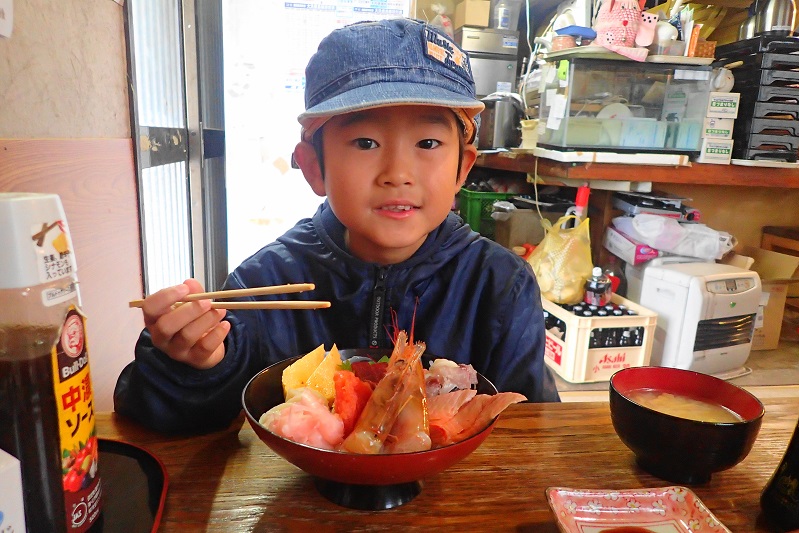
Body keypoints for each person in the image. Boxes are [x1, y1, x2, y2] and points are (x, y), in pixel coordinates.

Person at [114, 17, 560, 434]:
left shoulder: (500, 285)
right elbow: (161, 416)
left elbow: (532, 429)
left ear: (463, 168)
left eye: (428, 142)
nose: (397, 172)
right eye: (365, 142)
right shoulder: (268, 281)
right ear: (314, 167)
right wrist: (189, 364)